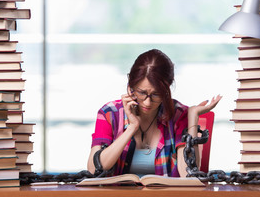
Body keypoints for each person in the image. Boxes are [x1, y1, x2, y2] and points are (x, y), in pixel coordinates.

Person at [87, 49, 222, 177]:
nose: (147, 102)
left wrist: (192, 116)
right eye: (142, 93)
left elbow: (188, 175)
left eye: (156, 94)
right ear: (130, 87)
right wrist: (131, 128)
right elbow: (93, 170)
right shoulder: (110, 113)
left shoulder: (179, 115)